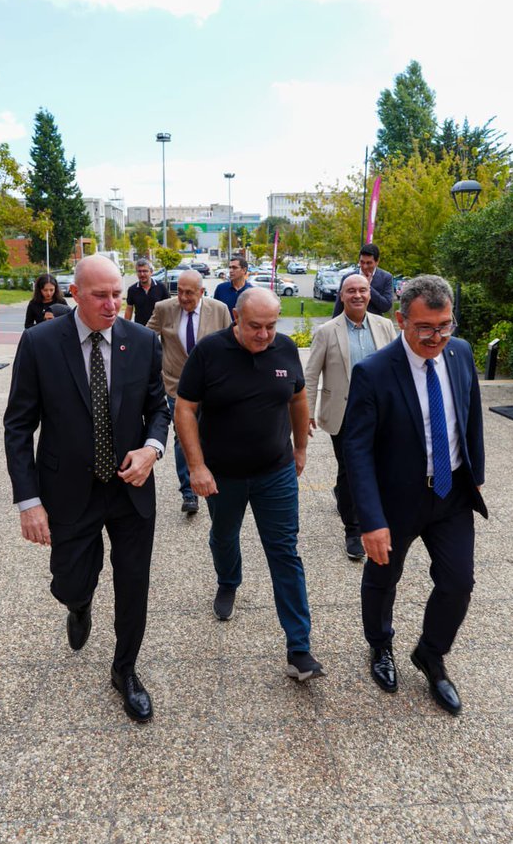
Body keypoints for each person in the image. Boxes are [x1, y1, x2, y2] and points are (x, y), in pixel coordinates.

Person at [3, 254, 170, 723]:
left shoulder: (142, 342)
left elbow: (159, 407)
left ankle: (126, 670)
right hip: (68, 489)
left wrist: (152, 449)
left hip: (129, 486)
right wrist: (29, 501)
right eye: (101, 295)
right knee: (71, 580)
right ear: (74, 293)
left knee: (134, 583)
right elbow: (18, 426)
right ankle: (78, 605)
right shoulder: (39, 343)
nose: (113, 303)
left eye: (117, 293)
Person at [343, 275, 487, 714]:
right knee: (384, 578)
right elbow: (357, 450)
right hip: (396, 500)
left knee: (458, 582)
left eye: (445, 326)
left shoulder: (460, 354)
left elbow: (471, 415)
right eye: (426, 328)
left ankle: (430, 653)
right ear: (401, 319)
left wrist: (476, 474)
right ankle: (380, 646)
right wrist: (370, 520)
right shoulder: (374, 371)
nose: (437, 337)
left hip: (451, 494)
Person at [175, 287, 325, 681]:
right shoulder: (210, 352)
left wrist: (301, 448)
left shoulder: (285, 349)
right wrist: (197, 466)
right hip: (221, 475)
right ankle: (228, 581)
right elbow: (185, 409)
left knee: (285, 552)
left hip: (274, 471)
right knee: (225, 536)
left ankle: (299, 648)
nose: (264, 335)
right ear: (237, 318)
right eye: (255, 326)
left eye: (271, 326)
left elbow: (297, 397)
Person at [304, 272, 397, 561]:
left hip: (380, 413)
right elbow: (310, 375)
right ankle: (354, 531)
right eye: (351, 291)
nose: (357, 295)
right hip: (343, 414)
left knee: (381, 467)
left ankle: (377, 518)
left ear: (370, 294)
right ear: (341, 295)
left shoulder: (384, 326)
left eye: (363, 290)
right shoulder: (327, 331)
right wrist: (306, 412)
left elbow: (398, 367)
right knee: (349, 471)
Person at [145, 269, 231, 515]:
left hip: (212, 386)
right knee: (183, 437)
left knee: (213, 433)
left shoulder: (219, 310)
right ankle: (189, 491)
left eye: (189, 293)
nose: (183, 297)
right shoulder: (164, 308)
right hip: (176, 385)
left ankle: (215, 477)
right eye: (179, 291)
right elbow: (145, 338)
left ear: (201, 292)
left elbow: (230, 343)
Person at [330, 243, 395, 317]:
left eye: (369, 263)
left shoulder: (386, 278)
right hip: (350, 323)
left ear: (377, 262)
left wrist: (368, 286)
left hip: (374, 325)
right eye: (362, 262)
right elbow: (339, 307)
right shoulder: (348, 278)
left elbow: (386, 306)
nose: (365, 266)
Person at [124, 257, 169, 326]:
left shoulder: (161, 287)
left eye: (145, 271)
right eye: (139, 271)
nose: (142, 274)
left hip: (158, 327)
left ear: (151, 272)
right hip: (140, 328)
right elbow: (129, 309)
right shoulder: (132, 290)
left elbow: (168, 307)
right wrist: (125, 327)